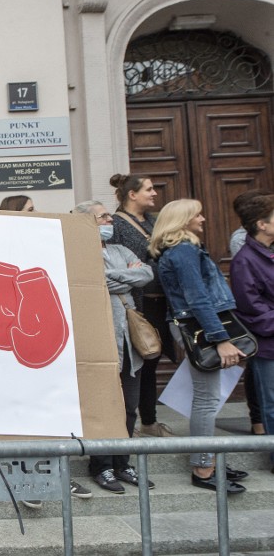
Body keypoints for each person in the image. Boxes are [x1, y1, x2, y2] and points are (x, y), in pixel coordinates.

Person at [149, 199, 249, 493]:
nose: (204, 219)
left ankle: (209, 460)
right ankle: (203, 468)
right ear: (182, 220)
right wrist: (220, 339)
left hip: (196, 325)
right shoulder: (182, 252)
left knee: (205, 396)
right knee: (206, 399)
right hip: (200, 328)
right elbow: (197, 299)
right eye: (197, 214)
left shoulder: (182, 250)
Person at [73, 201, 155, 494]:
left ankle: (122, 463)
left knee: (128, 407)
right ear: (85, 223)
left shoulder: (120, 250)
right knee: (103, 406)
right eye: (103, 216)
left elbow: (146, 275)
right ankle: (101, 465)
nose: (110, 219)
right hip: (99, 340)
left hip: (129, 342)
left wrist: (112, 278)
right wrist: (125, 277)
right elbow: (89, 283)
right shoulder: (77, 255)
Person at [108, 173, 176, 438]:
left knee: (152, 360)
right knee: (134, 365)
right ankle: (128, 423)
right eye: (148, 189)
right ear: (132, 195)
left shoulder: (154, 221)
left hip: (161, 304)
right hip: (136, 306)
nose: (154, 193)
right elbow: (115, 266)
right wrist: (136, 272)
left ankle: (149, 420)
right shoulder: (115, 225)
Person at [230, 194, 274, 468]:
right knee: (272, 403)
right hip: (268, 346)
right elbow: (251, 308)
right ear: (262, 225)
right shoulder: (244, 261)